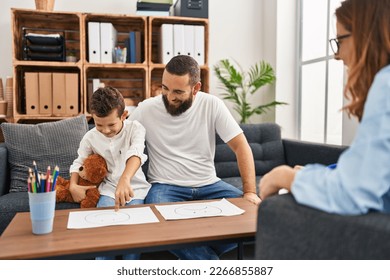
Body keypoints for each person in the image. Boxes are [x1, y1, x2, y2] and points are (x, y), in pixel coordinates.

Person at [259, 0, 390, 215]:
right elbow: (375, 173)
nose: (337, 55)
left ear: (366, 36)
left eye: (340, 41)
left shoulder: (386, 85)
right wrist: (315, 175)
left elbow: (351, 193)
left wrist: (285, 176)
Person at [128, 55, 260, 260]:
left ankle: (194, 256)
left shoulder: (212, 105)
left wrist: (250, 191)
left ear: (196, 88)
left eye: (178, 91)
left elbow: (241, 146)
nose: (170, 97)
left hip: (210, 185)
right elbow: (120, 139)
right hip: (165, 187)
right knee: (157, 222)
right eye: (165, 88)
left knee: (258, 218)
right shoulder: (146, 109)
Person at [69, 86, 151, 260]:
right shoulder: (90, 137)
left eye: (111, 124)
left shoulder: (135, 129)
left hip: (135, 189)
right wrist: (73, 185)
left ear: (124, 115)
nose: (105, 130)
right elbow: (79, 162)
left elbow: (136, 152)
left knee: (133, 233)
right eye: (99, 125)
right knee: (103, 233)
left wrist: (125, 179)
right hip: (108, 190)